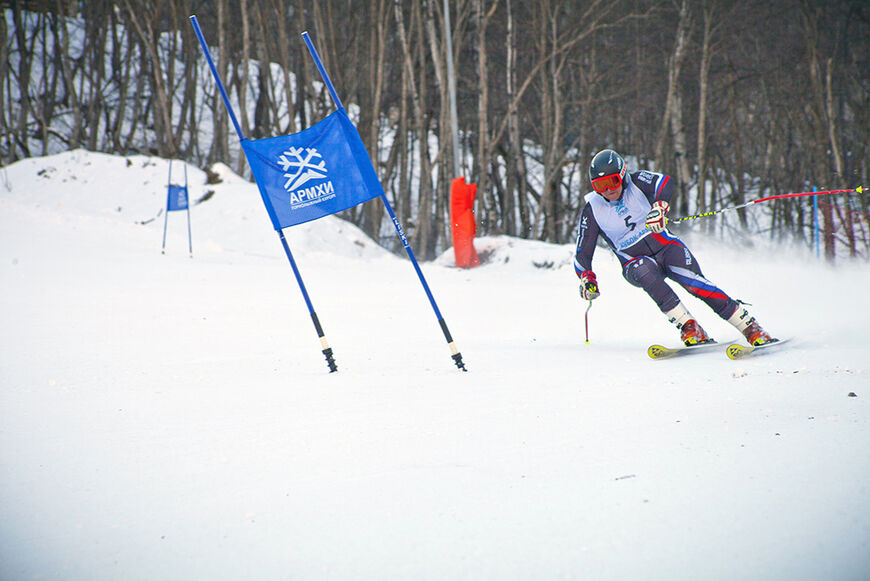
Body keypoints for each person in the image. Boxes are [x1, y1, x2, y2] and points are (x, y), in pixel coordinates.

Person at [574, 148, 775, 346]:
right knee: (645, 272)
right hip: (633, 261)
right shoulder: (593, 209)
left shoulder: (637, 182)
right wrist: (587, 277)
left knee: (695, 283)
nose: (608, 190)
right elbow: (582, 252)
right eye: (600, 185)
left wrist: (659, 206)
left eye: (612, 182)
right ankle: (689, 326)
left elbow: (664, 182)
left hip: (666, 247)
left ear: (622, 174)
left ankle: (749, 326)